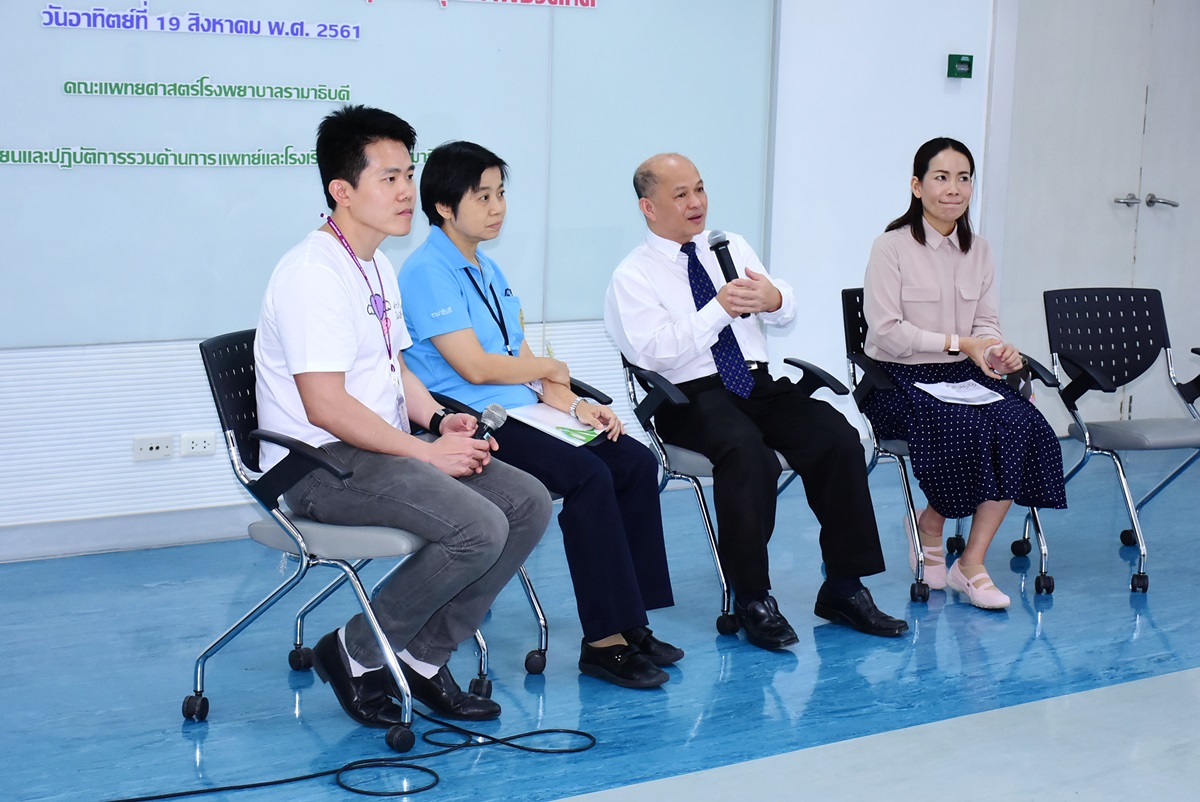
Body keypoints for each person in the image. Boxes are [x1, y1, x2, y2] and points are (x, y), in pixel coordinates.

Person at [254, 106, 551, 726]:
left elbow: (396, 371)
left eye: (407, 174)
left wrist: (439, 420)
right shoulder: (313, 274)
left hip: (377, 448)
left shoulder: (378, 263)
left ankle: (419, 658)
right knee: (478, 527)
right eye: (388, 178)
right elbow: (325, 405)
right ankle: (357, 653)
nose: (407, 191)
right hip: (315, 463)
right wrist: (422, 451)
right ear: (342, 190)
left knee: (527, 503)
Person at [398, 141, 679, 689]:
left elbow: (524, 368)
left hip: (523, 410)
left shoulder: (487, 266)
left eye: (501, 193)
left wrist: (577, 404)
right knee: (590, 477)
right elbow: (476, 368)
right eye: (482, 196)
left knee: (636, 463)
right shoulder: (426, 271)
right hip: (470, 418)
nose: (497, 206)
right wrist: (551, 366)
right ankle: (602, 643)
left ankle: (629, 621)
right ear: (444, 207)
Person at [604, 153, 908, 650]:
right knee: (748, 454)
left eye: (700, 189)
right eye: (680, 195)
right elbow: (652, 352)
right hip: (688, 397)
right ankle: (752, 597)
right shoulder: (632, 276)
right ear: (648, 207)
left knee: (837, 438)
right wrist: (715, 311)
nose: (696, 202)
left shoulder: (730, 245)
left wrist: (775, 299)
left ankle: (844, 587)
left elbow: (783, 311)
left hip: (756, 383)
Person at [862, 136, 1067, 610]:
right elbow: (887, 332)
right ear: (917, 186)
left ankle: (969, 563)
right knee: (966, 427)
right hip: (898, 381)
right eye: (941, 177)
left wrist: (998, 351)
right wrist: (960, 344)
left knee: (1023, 423)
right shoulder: (889, 248)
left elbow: (986, 326)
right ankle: (932, 523)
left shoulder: (980, 250)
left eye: (964, 178)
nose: (953, 188)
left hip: (962, 376)